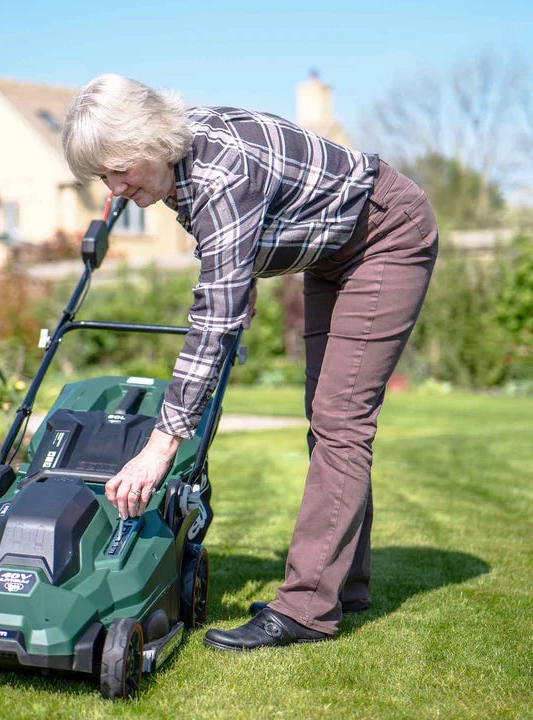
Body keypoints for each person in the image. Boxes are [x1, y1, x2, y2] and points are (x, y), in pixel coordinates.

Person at [61, 74, 438, 650]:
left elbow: (213, 316)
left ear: (148, 140)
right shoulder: (178, 160)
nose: (113, 188)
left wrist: (161, 447)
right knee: (328, 420)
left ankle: (308, 610)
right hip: (331, 251)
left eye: (117, 170)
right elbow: (235, 248)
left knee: (341, 420)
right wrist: (242, 282)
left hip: (384, 235)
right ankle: (345, 586)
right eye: (102, 177)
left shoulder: (219, 170)